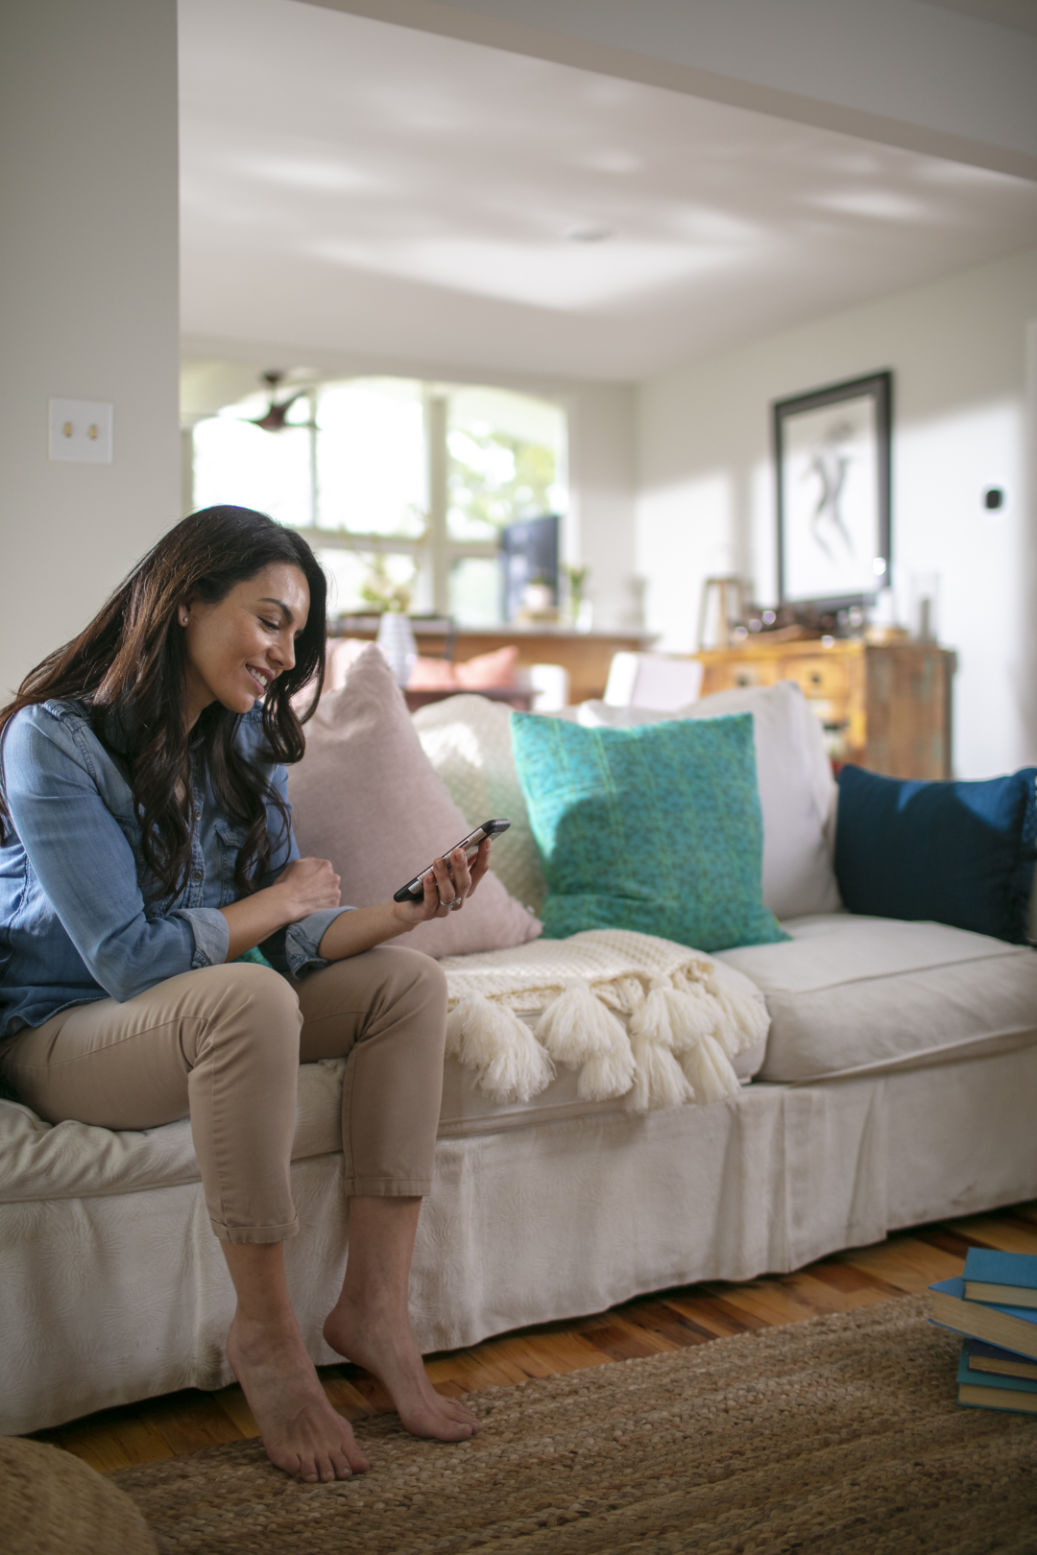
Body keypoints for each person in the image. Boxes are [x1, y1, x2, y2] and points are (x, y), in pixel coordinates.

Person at [0, 505, 491, 1483]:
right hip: (61, 1030)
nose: (283, 651)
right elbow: (131, 960)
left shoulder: (247, 748)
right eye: (269, 619)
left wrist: (403, 913)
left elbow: (290, 933)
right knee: (248, 999)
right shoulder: (53, 741)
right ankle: (265, 1337)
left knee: (407, 985)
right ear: (183, 600)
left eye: (297, 634)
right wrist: (271, 902)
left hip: (191, 1008)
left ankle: (374, 1312)